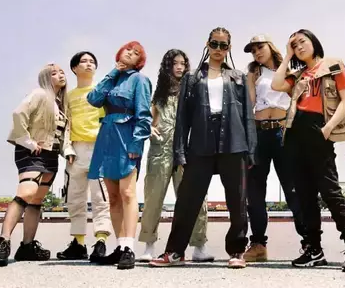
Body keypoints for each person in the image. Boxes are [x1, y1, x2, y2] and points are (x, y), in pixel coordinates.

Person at [150, 27, 256, 269]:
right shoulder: (192, 78)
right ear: (207, 45)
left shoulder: (238, 77)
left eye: (223, 45)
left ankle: (237, 251)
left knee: (237, 200)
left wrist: (251, 149)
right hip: (200, 142)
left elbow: (247, 116)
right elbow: (182, 118)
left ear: (229, 48)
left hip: (234, 142)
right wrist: (179, 151)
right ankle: (175, 252)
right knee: (187, 199)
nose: (218, 49)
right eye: (214, 44)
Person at [271, 29, 345, 272]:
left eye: (302, 42)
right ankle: (314, 249)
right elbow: (276, 84)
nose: (299, 47)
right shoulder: (298, 74)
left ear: (314, 42)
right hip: (294, 132)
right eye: (294, 45)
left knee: (330, 190)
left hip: (318, 129)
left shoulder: (333, 65)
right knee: (305, 195)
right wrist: (287, 55)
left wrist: (328, 127)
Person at [138, 49, 213, 263]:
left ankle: (199, 246)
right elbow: (149, 117)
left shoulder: (194, 88)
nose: (179, 67)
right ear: (167, 66)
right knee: (153, 198)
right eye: (174, 63)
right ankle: (149, 245)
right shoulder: (159, 92)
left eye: (182, 63)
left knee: (195, 199)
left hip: (188, 150)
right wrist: (149, 127)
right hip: (160, 149)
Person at [0, 64, 69, 267]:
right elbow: (19, 113)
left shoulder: (61, 103)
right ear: (45, 78)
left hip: (51, 155)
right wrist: (27, 140)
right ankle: (3, 241)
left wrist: (67, 152)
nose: (60, 75)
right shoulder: (40, 94)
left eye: (62, 72)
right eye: (54, 73)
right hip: (32, 151)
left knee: (36, 200)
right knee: (26, 193)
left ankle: (27, 246)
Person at [87, 41, 152, 270]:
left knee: (127, 193)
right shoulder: (111, 78)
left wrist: (137, 142)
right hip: (106, 138)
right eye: (128, 50)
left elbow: (144, 114)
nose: (130, 53)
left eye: (136, 53)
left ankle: (129, 248)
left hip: (127, 138)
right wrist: (113, 72)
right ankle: (120, 245)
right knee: (112, 197)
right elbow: (93, 99)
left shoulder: (140, 80)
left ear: (139, 61)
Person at [242, 34, 306, 262]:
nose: (257, 52)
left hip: (282, 132)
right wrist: (250, 80)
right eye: (253, 50)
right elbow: (250, 104)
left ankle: (309, 242)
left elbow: (297, 100)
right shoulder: (254, 72)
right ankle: (258, 244)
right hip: (259, 133)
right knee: (255, 191)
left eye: (260, 47)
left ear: (270, 46)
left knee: (292, 187)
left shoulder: (290, 69)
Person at [57, 51, 112, 262]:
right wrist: (67, 149)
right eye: (84, 61)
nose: (89, 64)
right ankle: (78, 243)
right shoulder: (68, 96)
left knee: (101, 198)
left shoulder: (103, 92)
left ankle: (101, 241)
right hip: (76, 151)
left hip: (99, 148)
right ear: (74, 68)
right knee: (74, 198)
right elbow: (64, 125)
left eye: (92, 62)